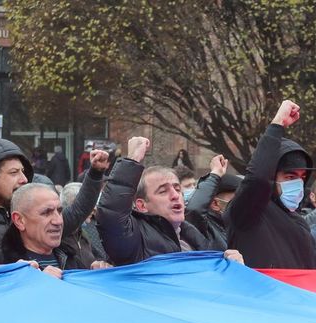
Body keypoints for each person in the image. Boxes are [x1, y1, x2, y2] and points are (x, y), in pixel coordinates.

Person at [97, 136, 244, 266]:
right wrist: (132, 159)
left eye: (177, 189)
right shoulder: (136, 237)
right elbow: (111, 215)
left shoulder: (192, 232)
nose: (175, 195)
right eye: (163, 191)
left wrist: (232, 266)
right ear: (142, 205)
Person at [224, 100, 316, 269]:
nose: (298, 184)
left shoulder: (300, 223)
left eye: (302, 177)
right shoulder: (249, 213)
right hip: (261, 294)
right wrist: (278, 123)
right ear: (271, 177)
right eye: (290, 176)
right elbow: (256, 180)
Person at [1, 183, 112, 279]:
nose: (58, 221)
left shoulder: (73, 259)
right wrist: (34, 284)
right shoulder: (3, 267)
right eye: (46, 212)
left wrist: (95, 275)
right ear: (19, 220)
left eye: (59, 211)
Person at [184, 154, 242, 251]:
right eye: (238, 199)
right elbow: (195, 210)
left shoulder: (237, 226)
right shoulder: (205, 228)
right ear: (215, 204)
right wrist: (215, 174)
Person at [60, 182, 109, 267]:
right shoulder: (59, 237)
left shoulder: (82, 234)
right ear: (74, 207)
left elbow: (100, 259)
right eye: (87, 205)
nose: (94, 208)